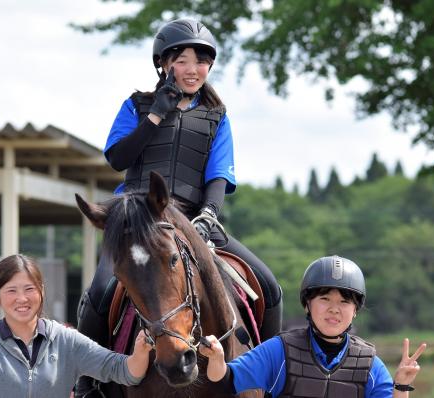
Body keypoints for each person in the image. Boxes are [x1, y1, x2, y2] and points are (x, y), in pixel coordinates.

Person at [75, 17, 283, 397]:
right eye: (183, 60)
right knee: (100, 292)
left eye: (201, 61)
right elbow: (118, 158)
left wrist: (209, 215)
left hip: (196, 219)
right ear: (164, 64)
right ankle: (89, 383)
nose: (192, 69)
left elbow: (219, 174)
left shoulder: (217, 116)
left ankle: (272, 379)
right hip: (137, 219)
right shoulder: (136, 106)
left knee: (268, 285)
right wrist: (156, 113)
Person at [0, 254, 152, 398]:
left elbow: (123, 370)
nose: (22, 299)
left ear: (41, 292)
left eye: (29, 289)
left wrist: (141, 351)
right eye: (12, 291)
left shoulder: (66, 340)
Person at [199, 255, 427, 397]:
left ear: (355, 310)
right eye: (325, 299)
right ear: (307, 305)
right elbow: (226, 380)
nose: (334, 309)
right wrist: (217, 359)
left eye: (344, 302)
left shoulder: (370, 365)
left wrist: (402, 386)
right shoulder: (280, 351)